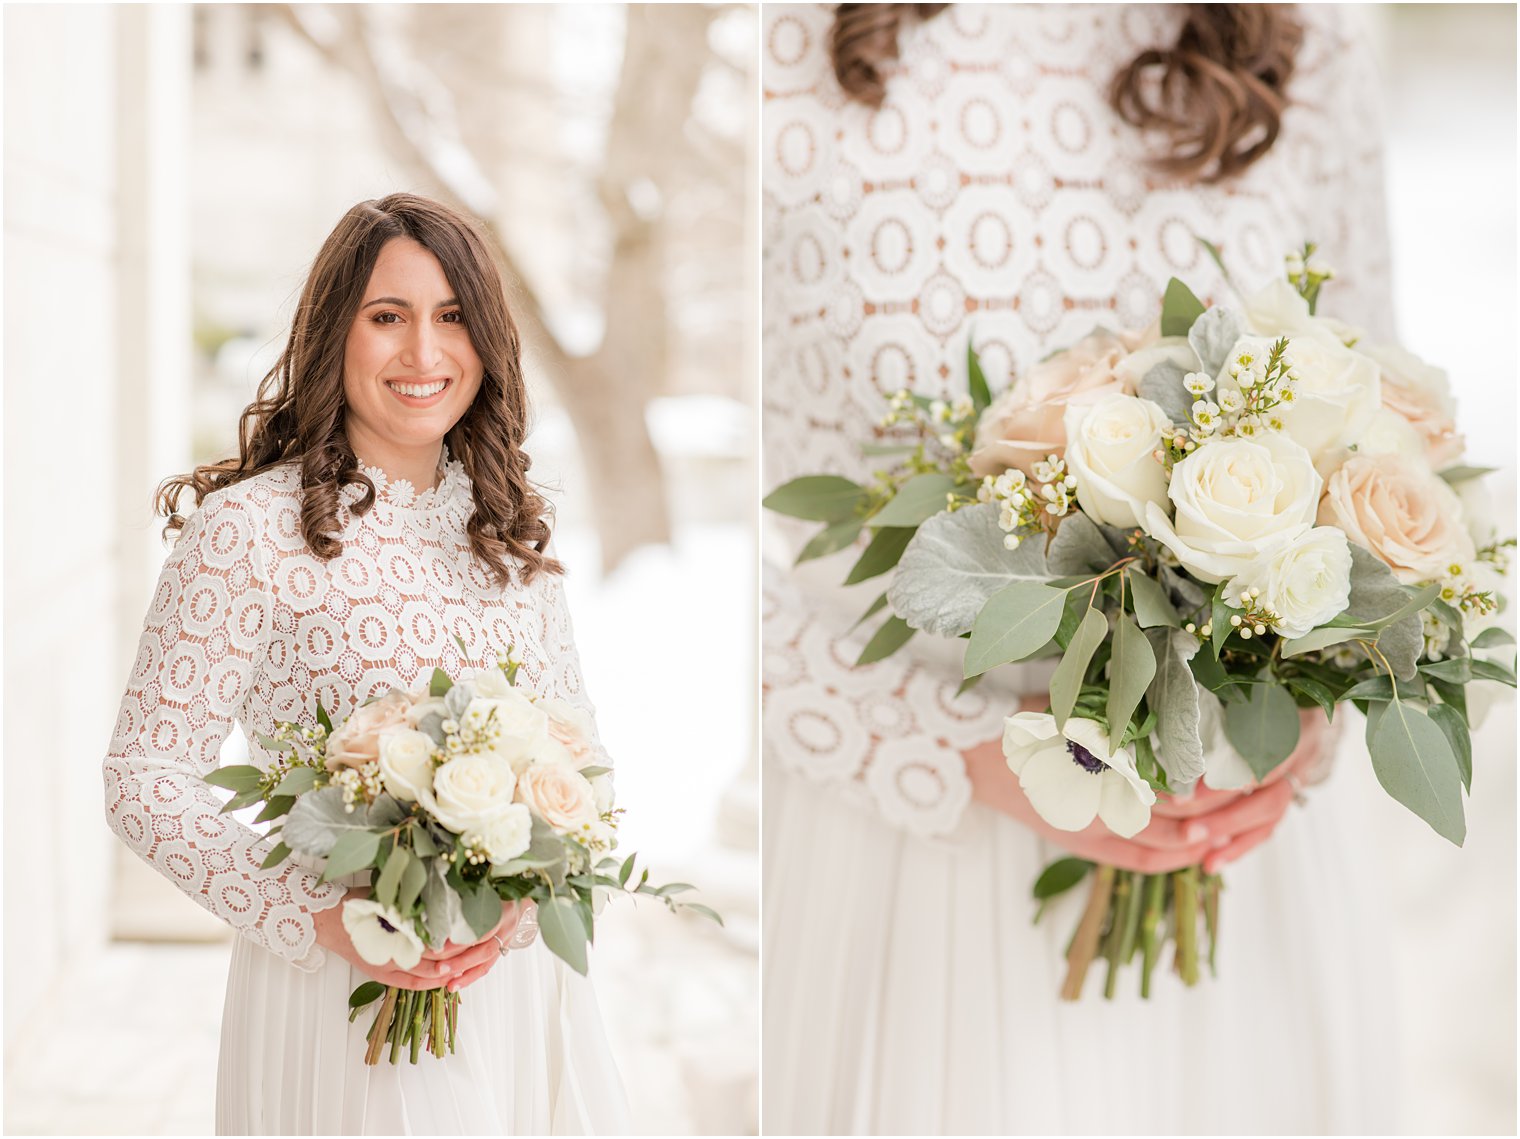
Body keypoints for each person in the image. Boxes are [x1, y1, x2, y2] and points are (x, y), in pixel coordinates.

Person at [762, 5, 1398, 1133]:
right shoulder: (773, 43)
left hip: (1238, 854)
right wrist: (951, 751)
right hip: (915, 865)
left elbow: (1376, 428)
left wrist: (1308, 702)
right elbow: (721, 553)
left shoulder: (1306, 32)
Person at [103, 193, 632, 1135]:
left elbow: (582, 762)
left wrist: (517, 896)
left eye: (453, 317)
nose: (424, 355)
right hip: (334, 991)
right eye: (388, 317)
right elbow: (143, 777)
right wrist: (317, 914)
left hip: (514, 993)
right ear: (332, 333)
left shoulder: (508, 527)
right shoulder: (247, 533)